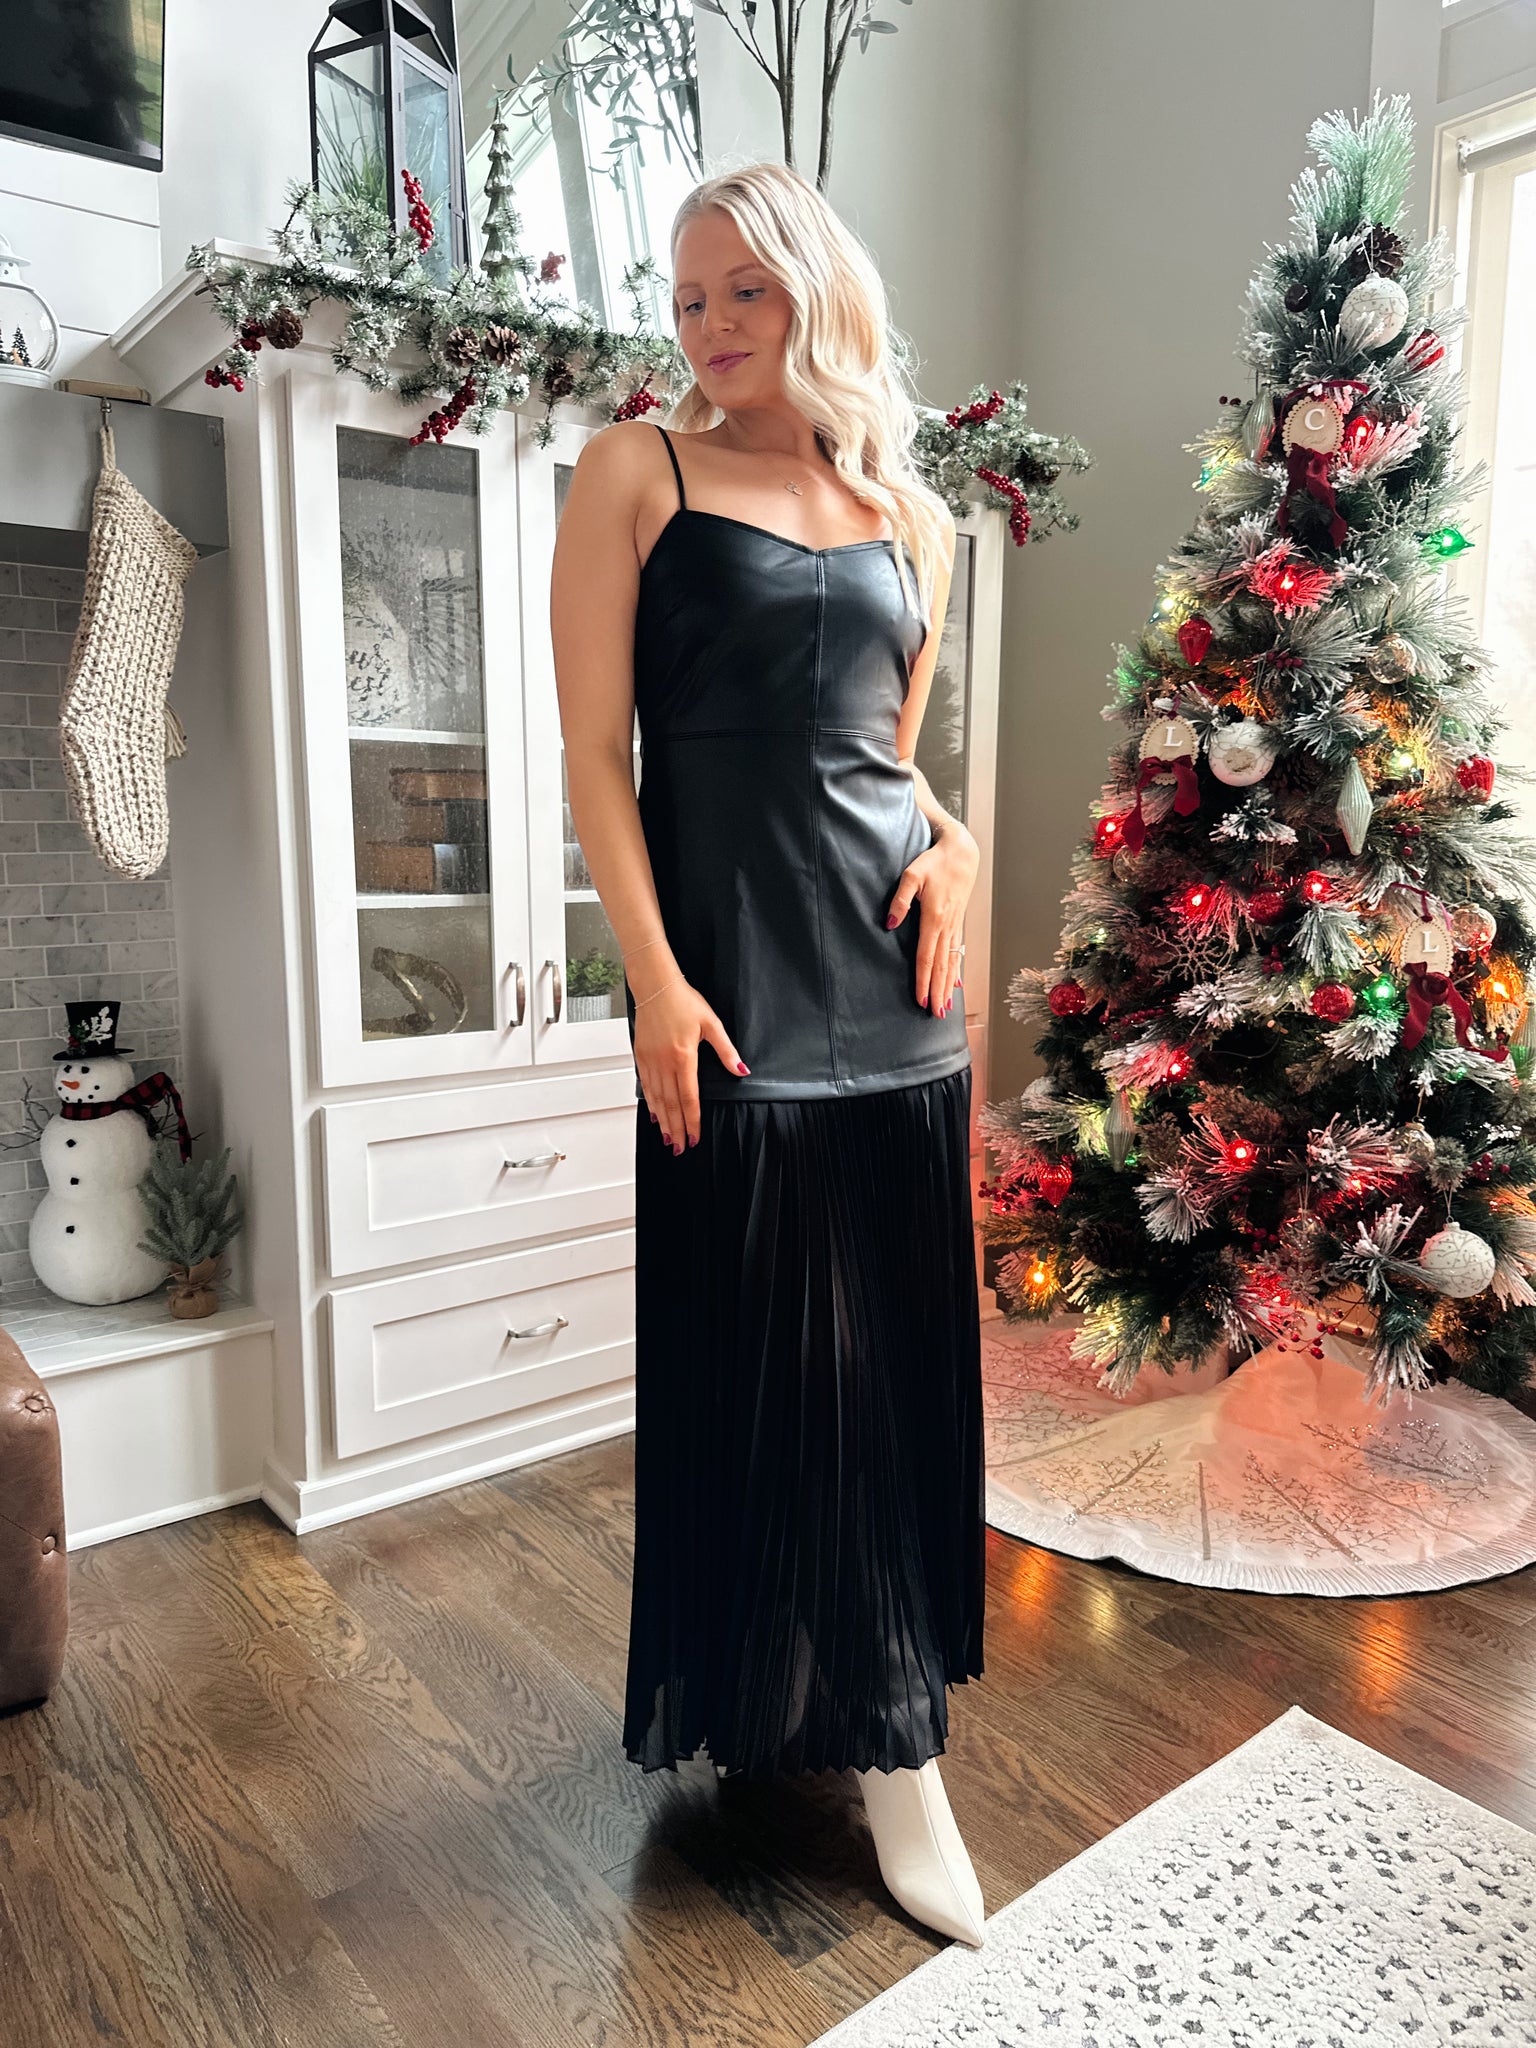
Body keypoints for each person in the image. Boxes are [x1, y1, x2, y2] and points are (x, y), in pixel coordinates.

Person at [549, 160, 988, 1948]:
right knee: (769, 1351)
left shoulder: (910, 517)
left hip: (897, 998)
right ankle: (818, 1705)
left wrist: (962, 847)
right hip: (726, 995)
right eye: (688, 296)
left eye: (745, 289)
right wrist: (649, 979)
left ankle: (890, 1738)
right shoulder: (634, 473)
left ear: (818, 291)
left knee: (877, 1361)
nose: (712, 324)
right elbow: (598, 757)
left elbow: (888, 765)